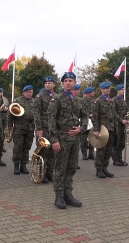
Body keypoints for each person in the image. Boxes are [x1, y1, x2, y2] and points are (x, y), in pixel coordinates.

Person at [48, 72, 88, 209]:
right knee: (60, 168)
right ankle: (59, 196)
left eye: (71, 80)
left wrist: (81, 129)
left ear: (75, 82)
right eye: (66, 81)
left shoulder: (78, 100)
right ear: (63, 83)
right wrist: (54, 140)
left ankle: (68, 194)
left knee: (71, 168)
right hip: (62, 139)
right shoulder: (56, 99)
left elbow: (85, 118)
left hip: (75, 139)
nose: (68, 83)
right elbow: (51, 120)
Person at [33, 76, 57, 183]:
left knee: (52, 152)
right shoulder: (40, 96)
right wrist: (39, 128)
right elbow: (36, 113)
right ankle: (41, 174)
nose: (47, 84)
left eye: (50, 83)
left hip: (54, 129)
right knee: (42, 152)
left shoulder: (57, 96)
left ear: (54, 84)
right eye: (46, 83)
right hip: (43, 128)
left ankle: (50, 173)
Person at [9, 85, 35, 176]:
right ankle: (16, 166)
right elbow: (10, 114)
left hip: (30, 128)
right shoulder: (18, 101)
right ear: (23, 92)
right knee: (18, 147)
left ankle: (23, 166)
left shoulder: (34, 102)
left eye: (30, 92)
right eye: (27, 92)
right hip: (19, 128)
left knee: (27, 147)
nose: (28, 93)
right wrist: (9, 126)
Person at [92, 82, 116, 178]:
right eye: (106, 88)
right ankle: (99, 169)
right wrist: (96, 129)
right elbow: (95, 116)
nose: (108, 90)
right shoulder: (98, 101)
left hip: (111, 128)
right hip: (102, 129)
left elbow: (113, 115)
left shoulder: (111, 100)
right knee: (101, 149)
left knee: (109, 150)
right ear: (101, 90)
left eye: (109, 88)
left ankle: (105, 168)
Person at [112, 84, 129, 166]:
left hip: (123, 124)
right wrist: (121, 120)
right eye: (122, 89)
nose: (123, 91)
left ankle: (120, 158)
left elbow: (126, 111)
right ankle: (115, 159)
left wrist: (128, 119)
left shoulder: (123, 100)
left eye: (124, 89)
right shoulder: (114, 100)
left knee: (122, 142)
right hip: (116, 124)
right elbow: (113, 113)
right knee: (117, 142)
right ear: (117, 90)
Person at [80, 87, 95, 160]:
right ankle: (84, 154)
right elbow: (81, 111)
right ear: (88, 93)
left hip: (92, 122)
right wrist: (88, 114)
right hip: (85, 122)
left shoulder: (93, 101)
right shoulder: (82, 101)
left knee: (92, 138)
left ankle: (91, 154)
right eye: (92, 92)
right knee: (84, 138)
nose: (94, 93)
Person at [0, 88, 9, 153]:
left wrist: (6, 108)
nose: (0, 93)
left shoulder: (5, 99)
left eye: (1, 92)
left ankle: (2, 146)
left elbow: (7, 106)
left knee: (3, 132)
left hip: (4, 117)